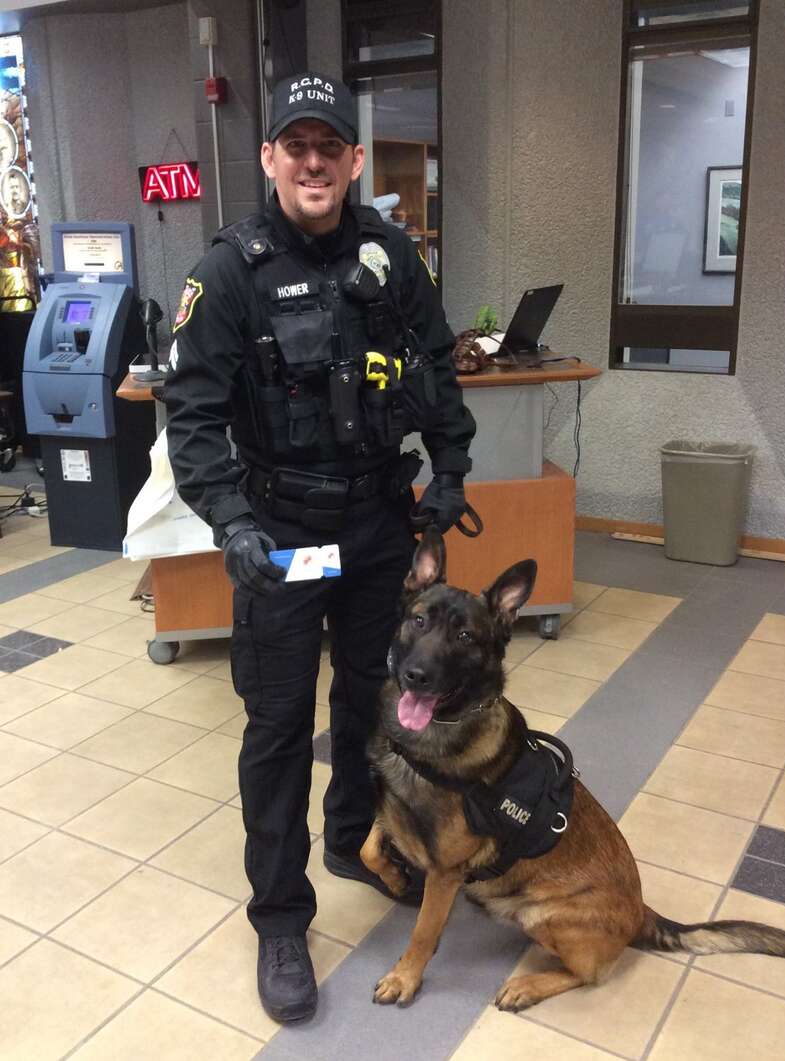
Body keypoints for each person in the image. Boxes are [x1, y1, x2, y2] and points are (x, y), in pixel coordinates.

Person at [165, 71, 475, 1023]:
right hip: (283, 533)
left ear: (349, 160)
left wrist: (451, 471)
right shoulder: (228, 272)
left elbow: (434, 362)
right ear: (269, 159)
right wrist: (232, 521)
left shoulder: (390, 255)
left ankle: (351, 838)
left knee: (371, 697)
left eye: (328, 147)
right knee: (276, 724)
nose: (313, 161)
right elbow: (193, 416)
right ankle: (280, 916)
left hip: (380, 522)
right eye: (294, 145)